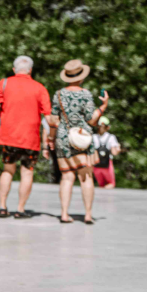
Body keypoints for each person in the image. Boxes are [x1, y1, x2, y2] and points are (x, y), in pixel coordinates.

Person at [48, 60, 109, 225]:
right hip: (82, 139)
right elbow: (92, 120)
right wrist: (103, 106)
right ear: (81, 77)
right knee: (86, 176)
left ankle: (64, 214)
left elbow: (53, 120)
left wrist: (50, 139)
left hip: (63, 137)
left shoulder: (58, 94)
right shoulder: (86, 94)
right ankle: (88, 215)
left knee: (67, 177)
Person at [0, 56, 51, 218]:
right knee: (27, 172)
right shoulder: (40, 88)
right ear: (30, 70)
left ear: (14, 69)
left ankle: (3, 207)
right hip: (30, 138)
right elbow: (49, 116)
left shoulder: (4, 83)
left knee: (8, 170)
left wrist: (4, 110)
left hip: (8, 136)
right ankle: (20, 209)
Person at [93, 116, 121, 189]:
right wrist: (118, 148)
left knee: (101, 185)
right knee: (111, 184)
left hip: (96, 165)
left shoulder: (93, 137)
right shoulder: (111, 137)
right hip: (107, 165)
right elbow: (114, 153)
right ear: (107, 127)